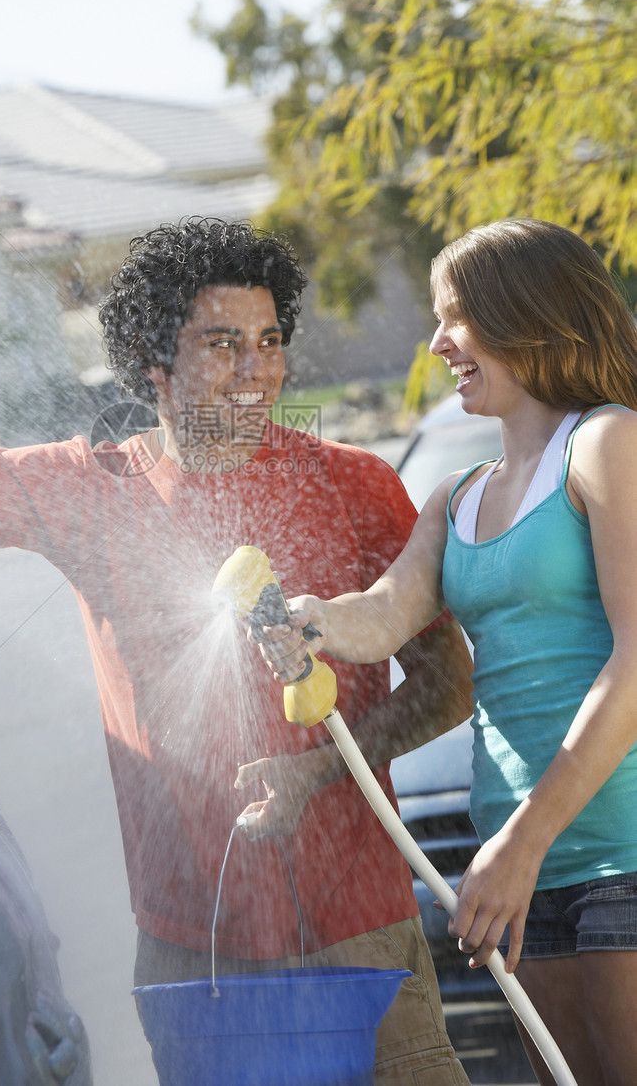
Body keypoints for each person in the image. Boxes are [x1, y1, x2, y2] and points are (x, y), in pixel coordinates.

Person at [0, 217, 473, 1086]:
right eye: (222, 345)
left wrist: (315, 775)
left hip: (361, 932)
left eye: (269, 342)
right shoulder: (88, 489)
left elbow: (448, 687)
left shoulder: (355, 485)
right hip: (196, 953)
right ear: (154, 362)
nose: (256, 371)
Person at [258, 217, 637, 1086]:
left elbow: (635, 659)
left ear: (529, 314)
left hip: (619, 850)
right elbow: (383, 616)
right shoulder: (457, 495)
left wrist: (522, 842)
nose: (436, 344)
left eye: (456, 318)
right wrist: (310, 620)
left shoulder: (608, 444)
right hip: (525, 865)